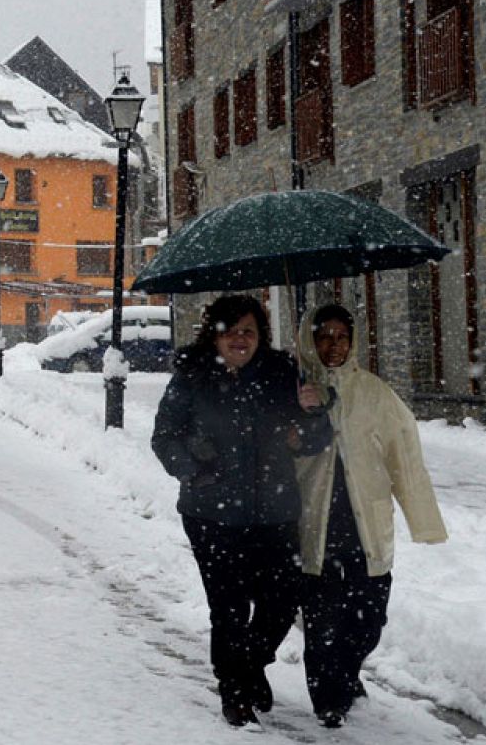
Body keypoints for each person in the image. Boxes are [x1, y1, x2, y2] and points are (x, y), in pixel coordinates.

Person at [151, 294, 332, 727]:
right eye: (231, 331)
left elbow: (314, 439)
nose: (240, 339)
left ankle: (249, 667)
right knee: (229, 608)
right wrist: (195, 469)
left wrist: (311, 414)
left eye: (249, 331)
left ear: (260, 336)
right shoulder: (192, 377)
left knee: (281, 604)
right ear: (214, 334)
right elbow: (165, 437)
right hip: (212, 514)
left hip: (274, 511)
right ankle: (234, 691)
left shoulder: (281, 373)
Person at [294, 304, 446, 729]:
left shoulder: (375, 393)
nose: (334, 345)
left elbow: (405, 458)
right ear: (311, 339)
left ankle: (346, 672)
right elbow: (277, 455)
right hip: (315, 526)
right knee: (322, 624)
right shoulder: (294, 389)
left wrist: (423, 520)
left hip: (366, 529)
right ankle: (329, 699)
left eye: (342, 336)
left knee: (368, 621)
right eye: (324, 336)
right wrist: (303, 410)